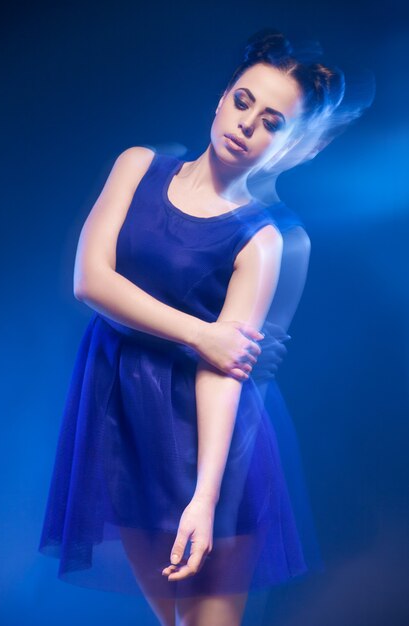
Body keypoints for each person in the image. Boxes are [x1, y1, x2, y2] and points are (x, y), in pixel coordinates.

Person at [38, 27, 371, 626]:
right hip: (122, 427)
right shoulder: (137, 166)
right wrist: (200, 333)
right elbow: (91, 280)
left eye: (272, 121)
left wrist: (206, 496)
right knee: (175, 622)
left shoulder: (264, 240)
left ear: (292, 144)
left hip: (212, 443)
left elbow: (225, 372)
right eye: (243, 102)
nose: (247, 124)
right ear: (221, 99)